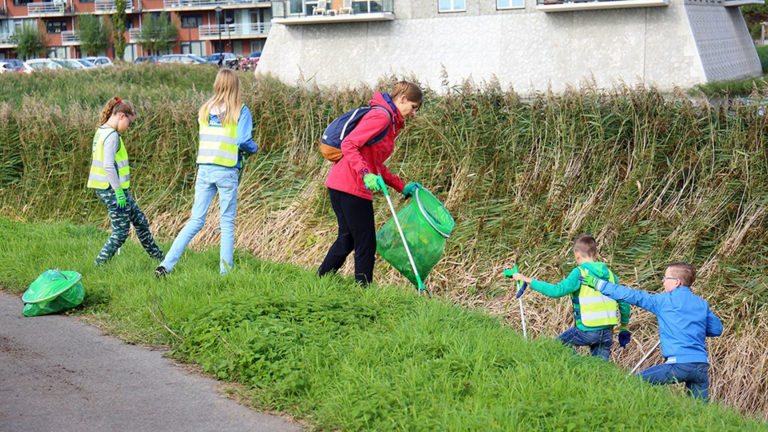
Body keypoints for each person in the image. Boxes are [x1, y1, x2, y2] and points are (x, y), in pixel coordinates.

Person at [317, 80, 424, 285]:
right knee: (366, 242)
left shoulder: (389, 121)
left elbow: (375, 163)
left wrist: (401, 186)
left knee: (347, 238)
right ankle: (364, 291)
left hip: (340, 183)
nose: (414, 113)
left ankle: (321, 279)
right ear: (402, 99)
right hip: (351, 185)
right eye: (413, 107)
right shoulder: (381, 117)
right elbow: (349, 144)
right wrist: (366, 174)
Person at [155, 69, 258, 277]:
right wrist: (254, 148)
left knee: (195, 221)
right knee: (226, 223)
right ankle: (225, 273)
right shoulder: (240, 110)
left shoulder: (205, 109)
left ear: (217, 84)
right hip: (226, 170)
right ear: (236, 86)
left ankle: (166, 265)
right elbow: (243, 141)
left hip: (204, 169)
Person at [581, 261, 723, 400]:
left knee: (634, 383)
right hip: (701, 366)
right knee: (699, 410)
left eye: (666, 278)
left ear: (677, 282)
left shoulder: (663, 301)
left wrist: (599, 284)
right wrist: (691, 328)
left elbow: (631, 295)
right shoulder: (701, 303)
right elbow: (717, 329)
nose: (663, 281)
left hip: (677, 364)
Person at [512, 234, 630, 360]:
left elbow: (557, 291)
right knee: (599, 368)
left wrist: (528, 280)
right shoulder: (611, 275)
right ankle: (584, 369)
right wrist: (624, 326)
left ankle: (577, 365)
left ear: (576, 255)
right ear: (596, 254)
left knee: (557, 346)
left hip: (587, 330)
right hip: (607, 333)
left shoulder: (580, 272)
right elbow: (624, 302)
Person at [88, 97, 164, 266]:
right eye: (129, 123)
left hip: (111, 189)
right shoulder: (112, 136)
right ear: (122, 116)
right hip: (112, 190)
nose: (129, 127)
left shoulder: (101, 131)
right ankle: (99, 264)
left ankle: (160, 259)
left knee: (140, 221)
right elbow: (108, 166)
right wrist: (118, 192)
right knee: (121, 233)